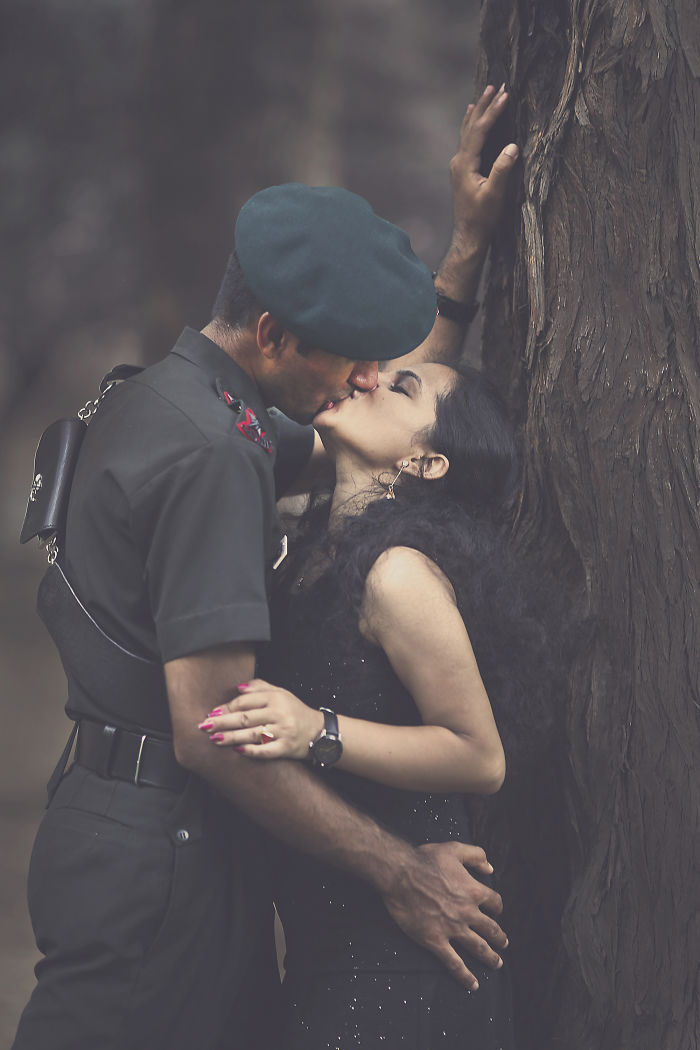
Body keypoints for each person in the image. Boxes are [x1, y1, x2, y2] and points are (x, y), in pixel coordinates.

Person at [13, 87, 518, 1050]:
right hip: (158, 854)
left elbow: (392, 436)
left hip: (147, 829)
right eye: (351, 358)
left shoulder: (178, 399)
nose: (366, 377)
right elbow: (213, 730)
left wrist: (462, 251)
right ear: (275, 335)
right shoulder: (214, 459)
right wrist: (400, 871)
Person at [199, 356, 562, 1048]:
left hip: (406, 962)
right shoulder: (314, 556)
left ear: (427, 464)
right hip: (330, 941)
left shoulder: (398, 574)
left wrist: (315, 731)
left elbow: (479, 755)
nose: (366, 378)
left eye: (401, 386)